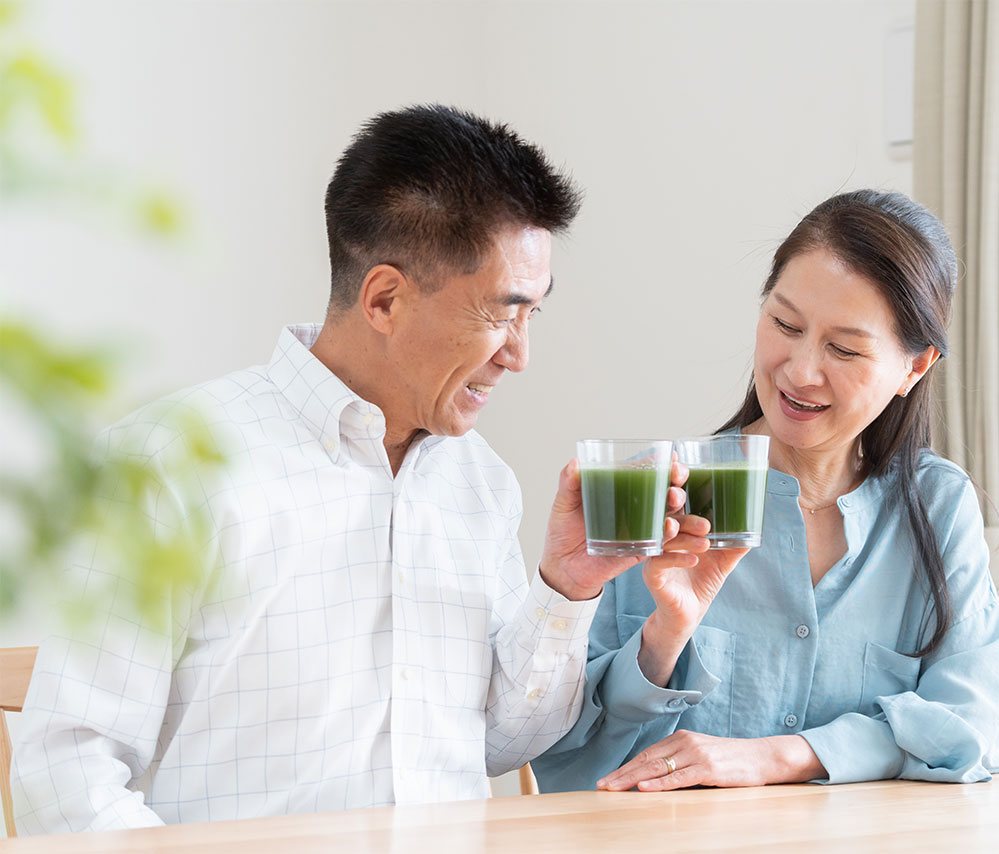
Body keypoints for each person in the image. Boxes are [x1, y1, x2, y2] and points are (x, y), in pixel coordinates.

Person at [10, 105, 709, 832]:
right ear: (384, 299)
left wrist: (566, 586)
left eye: (534, 315)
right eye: (503, 314)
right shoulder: (169, 463)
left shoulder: (481, 482)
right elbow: (65, 772)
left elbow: (498, 745)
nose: (520, 354)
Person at [533, 190, 999, 792]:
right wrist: (662, 639)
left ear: (914, 367)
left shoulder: (935, 506)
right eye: (785, 325)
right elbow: (560, 761)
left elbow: (983, 727)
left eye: (844, 349)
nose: (799, 371)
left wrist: (786, 756)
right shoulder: (656, 492)